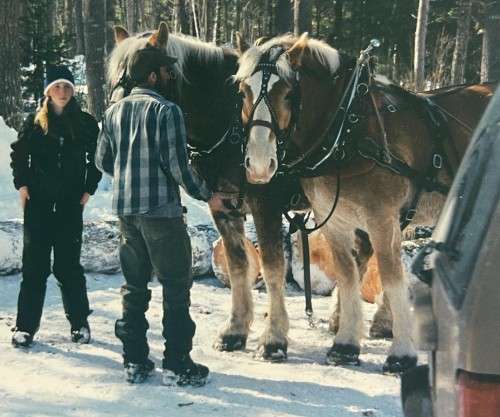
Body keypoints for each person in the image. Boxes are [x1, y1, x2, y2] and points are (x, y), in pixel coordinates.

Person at [95, 46, 224, 386]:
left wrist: (127, 176)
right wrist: (209, 194)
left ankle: (135, 360)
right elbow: (179, 167)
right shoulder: (168, 110)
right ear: (153, 75)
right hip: (161, 214)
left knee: (134, 287)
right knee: (176, 287)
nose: (170, 77)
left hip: (126, 213)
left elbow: (102, 161)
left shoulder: (113, 112)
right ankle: (177, 362)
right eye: (166, 72)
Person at [10, 65, 102, 348]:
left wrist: (88, 189)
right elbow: (19, 154)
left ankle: (79, 324)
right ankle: (25, 327)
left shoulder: (85, 123)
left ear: (73, 91)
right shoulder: (35, 122)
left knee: (68, 268)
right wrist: (22, 185)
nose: (62, 92)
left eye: (67, 87)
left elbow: (96, 158)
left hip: (68, 206)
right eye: (57, 86)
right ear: (48, 91)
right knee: (34, 268)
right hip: (38, 206)